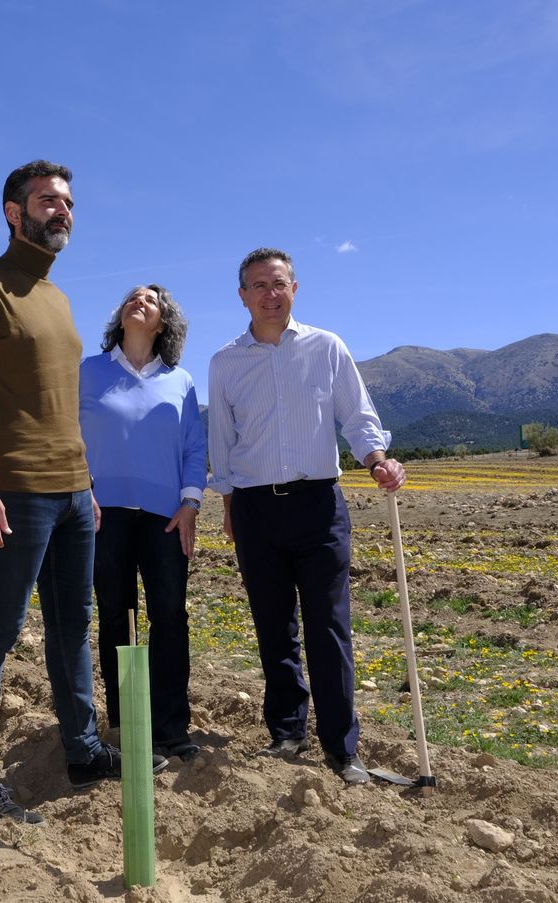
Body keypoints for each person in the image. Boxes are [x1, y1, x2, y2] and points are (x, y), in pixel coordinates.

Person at [0, 160, 124, 825]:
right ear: (14, 212)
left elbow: (58, 402)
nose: (62, 209)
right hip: (12, 491)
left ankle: (82, 748)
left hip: (73, 490)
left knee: (74, 625)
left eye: (68, 201)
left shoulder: (61, 299)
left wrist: (87, 483)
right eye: (48, 199)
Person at [206, 247, 407, 786]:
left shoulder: (327, 347)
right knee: (274, 628)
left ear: (295, 288)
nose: (270, 294)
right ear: (242, 296)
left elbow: (358, 416)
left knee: (329, 627)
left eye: (278, 283)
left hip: (320, 505)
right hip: (254, 508)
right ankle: (287, 731)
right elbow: (222, 445)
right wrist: (228, 507)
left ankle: (343, 749)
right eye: (258, 286)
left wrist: (378, 459)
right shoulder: (225, 362)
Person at [78, 284, 206, 762]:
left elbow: (195, 446)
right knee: (115, 616)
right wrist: (82, 492)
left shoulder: (181, 380)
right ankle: (129, 724)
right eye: (133, 297)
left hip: (166, 517)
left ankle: (172, 727)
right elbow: (68, 435)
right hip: (101, 514)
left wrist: (191, 502)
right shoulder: (88, 373)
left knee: (170, 615)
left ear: (164, 321)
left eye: (151, 300)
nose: (140, 301)